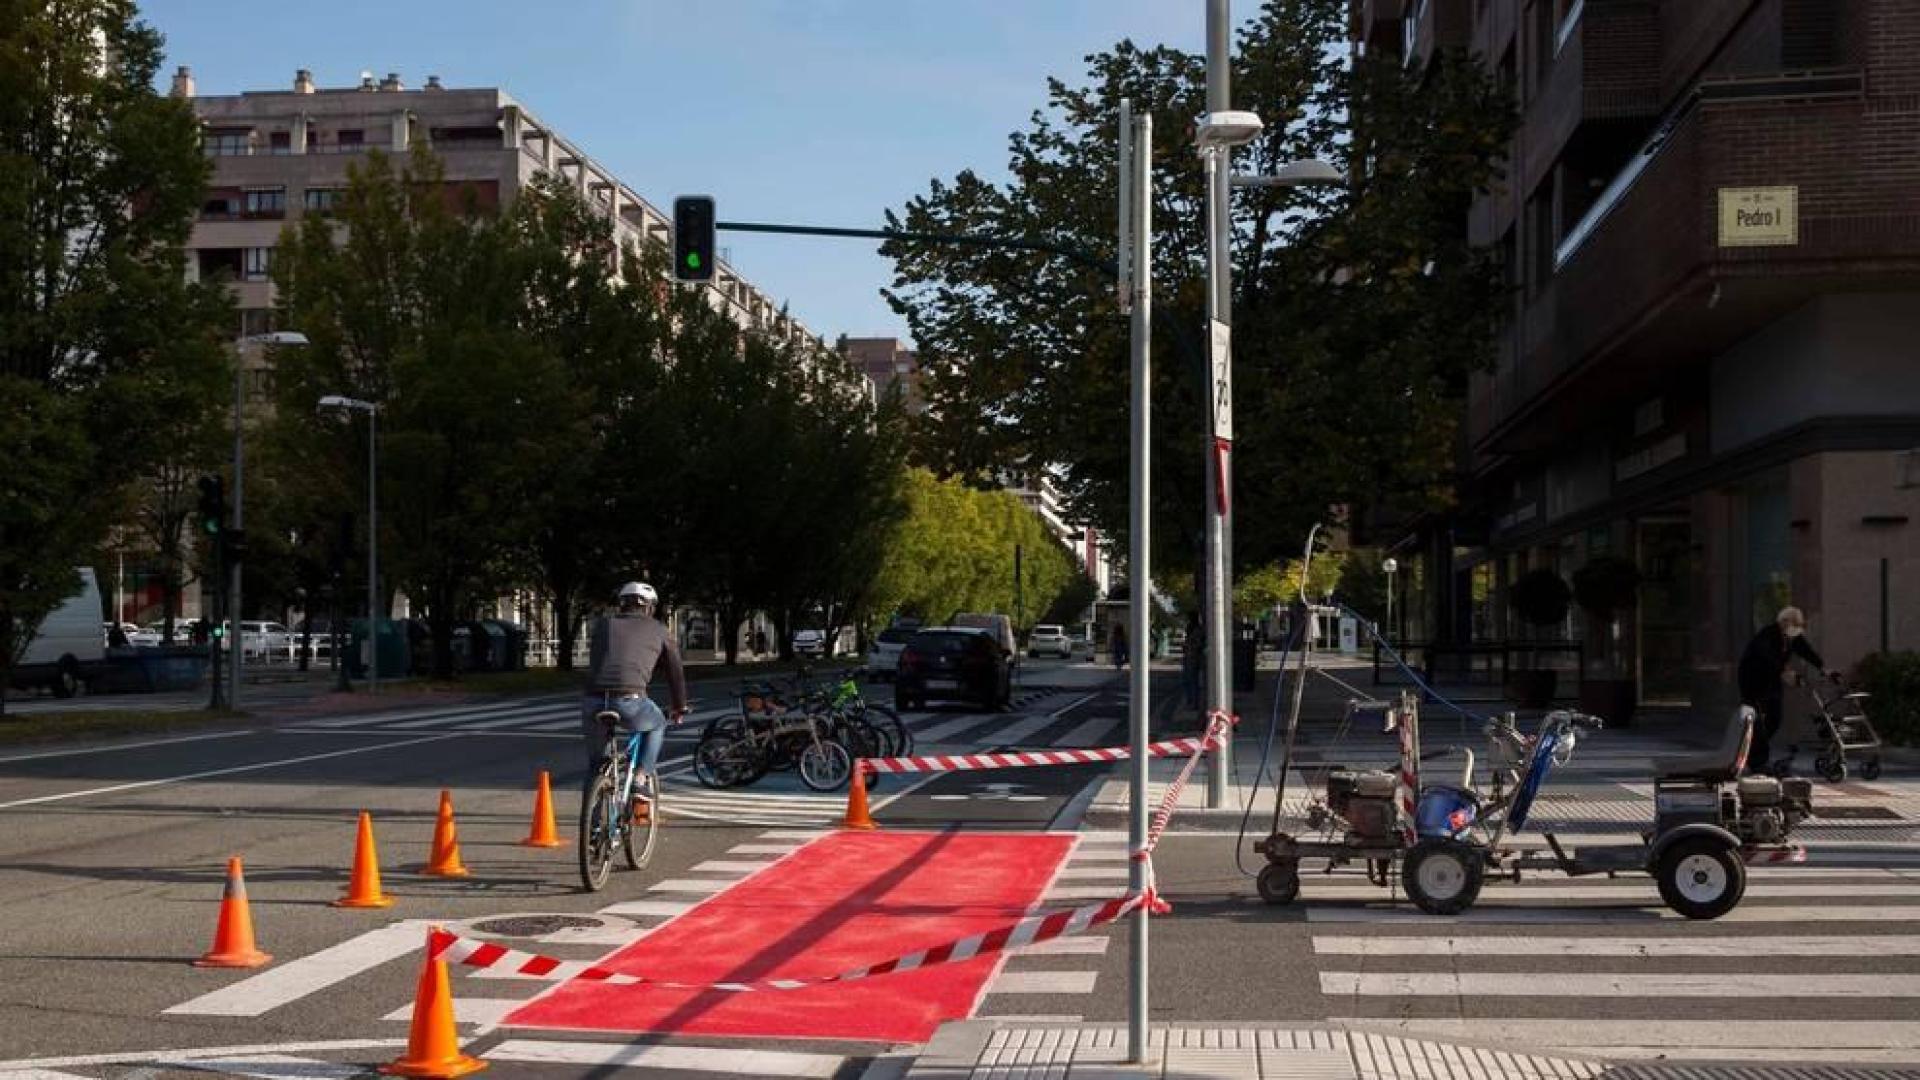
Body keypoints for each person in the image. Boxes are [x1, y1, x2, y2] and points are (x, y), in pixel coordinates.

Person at [582, 582, 689, 818]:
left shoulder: (604, 624)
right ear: (649, 607)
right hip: (629, 698)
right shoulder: (659, 630)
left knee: (596, 765)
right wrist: (679, 705)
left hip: (593, 700)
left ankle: (593, 827)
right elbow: (675, 671)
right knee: (657, 723)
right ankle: (640, 778)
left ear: (622, 604)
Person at [1737, 605, 1835, 773]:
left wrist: (1823, 668)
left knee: (1775, 718)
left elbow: (1806, 651)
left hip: (1772, 681)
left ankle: (1752, 750)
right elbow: (1767, 658)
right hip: (1753, 681)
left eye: (1800, 625)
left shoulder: (1792, 637)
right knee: (1757, 721)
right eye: (1795, 624)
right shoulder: (1768, 635)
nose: (1798, 628)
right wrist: (1786, 672)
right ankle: (1758, 762)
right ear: (1784, 622)